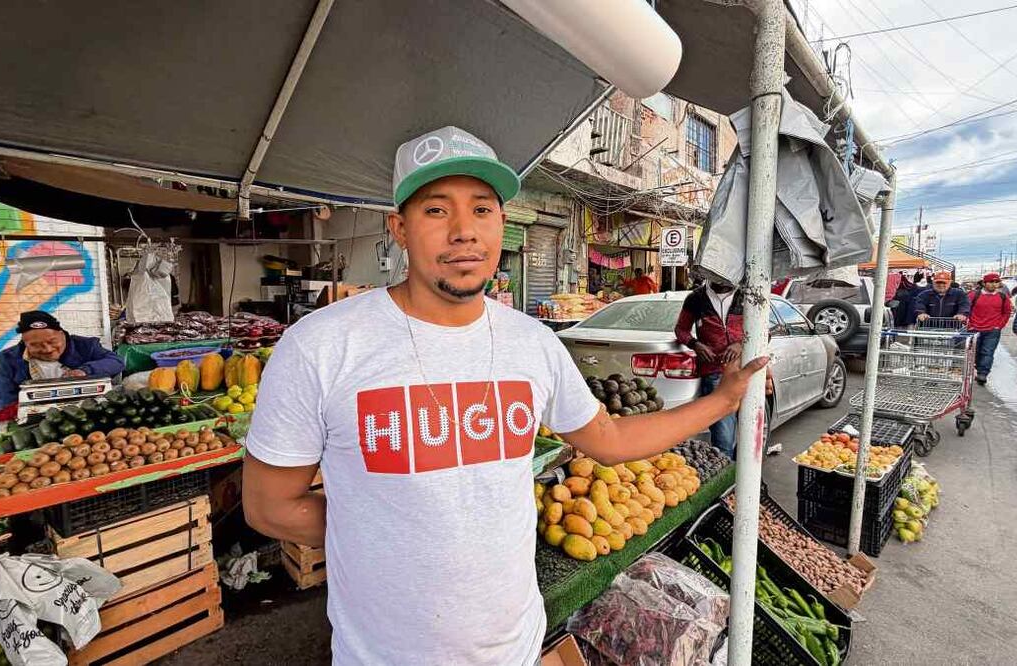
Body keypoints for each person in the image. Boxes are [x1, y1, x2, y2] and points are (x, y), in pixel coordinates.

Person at [239, 126, 768, 665]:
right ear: (398, 227)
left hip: (513, 647)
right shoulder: (322, 345)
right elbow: (269, 505)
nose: (464, 232)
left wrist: (722, 401)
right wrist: (378, 526)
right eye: (437, 211)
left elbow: (607, 439)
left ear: (502, 222)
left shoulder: (533, 344)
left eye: (483, 209)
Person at [0, 311, 125, 420]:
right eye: (35, 345)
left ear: (62, 334)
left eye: (52, 341)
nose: (47, 349)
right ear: (25, 343)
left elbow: (116, 362)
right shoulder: (9, 359)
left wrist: (85, 371)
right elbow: (6, 400)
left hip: (88, 412)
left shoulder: (85, 346)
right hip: (38, 419)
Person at [674, 280, 744, 457]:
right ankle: (727, 480)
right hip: (715, 374)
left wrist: (740, 345)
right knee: (724, 439)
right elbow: (681, 329)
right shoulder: (696, 298)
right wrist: (696, 344)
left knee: (749, 435)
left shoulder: (748, 295)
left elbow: (765, 332)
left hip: (747, 371)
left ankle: (744, 479)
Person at [966, 272, 1012, 385]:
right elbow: (966, 309)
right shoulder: (973, 295)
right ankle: (974, 368)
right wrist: (969, 324)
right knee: (974, 351)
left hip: (992, 330)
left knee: (988, 352)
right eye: (991, 282)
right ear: (984, 283)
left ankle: (983, 373)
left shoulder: (1002, 297)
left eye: (996, 282)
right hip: (974, 329)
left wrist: (999, 326)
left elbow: (1006, 312)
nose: (994, 284)